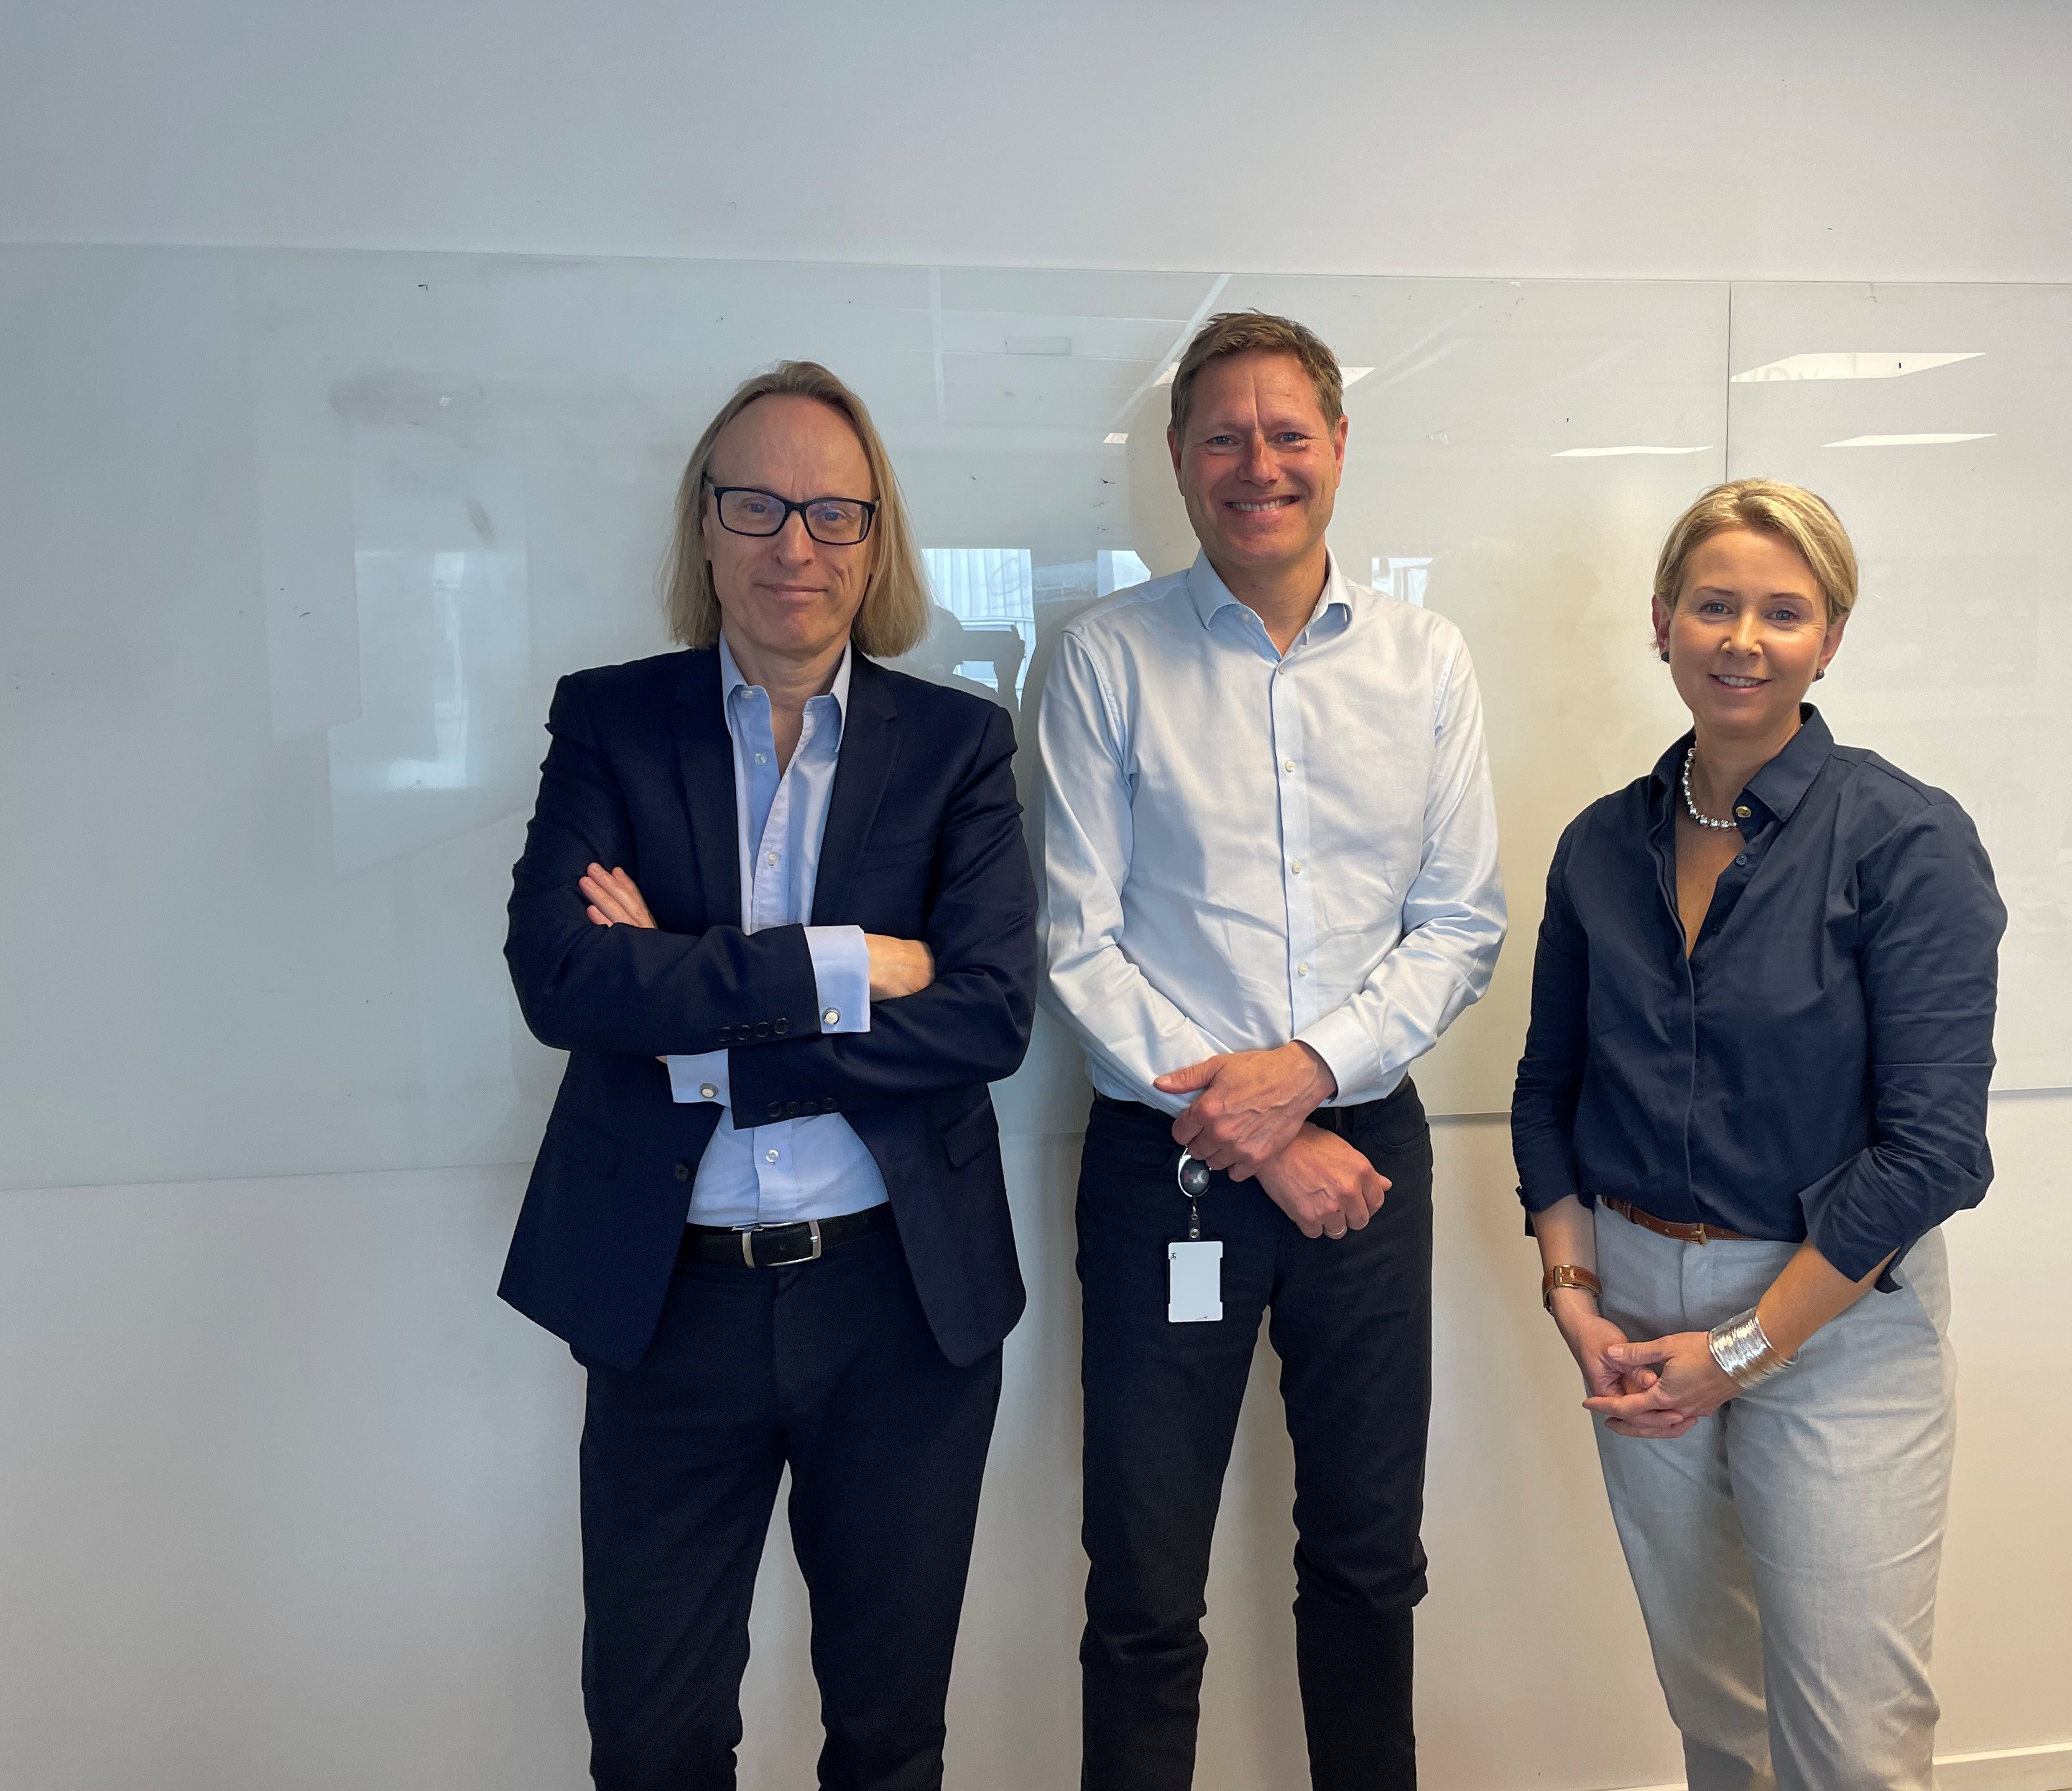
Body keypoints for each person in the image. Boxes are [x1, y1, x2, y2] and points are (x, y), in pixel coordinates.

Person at [499, 361, 1037, 1791]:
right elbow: (561, 980)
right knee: (654, 1741)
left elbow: (989, 1018)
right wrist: (847, 965)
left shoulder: (959, 747)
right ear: (704, 524)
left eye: (833, 512)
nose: (795, 545)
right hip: (667, 1300)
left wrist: (696, 1019)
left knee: (888, 1738)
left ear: (876, 538)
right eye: (756, 505)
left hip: (899, 1303)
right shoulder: (612, 722)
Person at [1037, 311, 1507, 1791]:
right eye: (1225, 438)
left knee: (1368, 1562)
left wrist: (1305, 1084)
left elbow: (1461, 923)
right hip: (1161, 1167)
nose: (1260, 466)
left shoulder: (1427, 662)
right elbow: (1077, 941)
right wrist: (1263, 1131)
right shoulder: (1104, 659)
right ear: (1180, 461)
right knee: (1142, 1586)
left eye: (1289, 433)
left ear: (1340, 448)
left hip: (1368, 1165)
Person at [1511, 479, 2005, 1791]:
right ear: (1660, 622)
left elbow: (1934, 1150)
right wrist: (1574, 1294)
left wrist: (1741, 1349)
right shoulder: (1601, 845)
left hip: (1837, 1314)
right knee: (1718, 1715)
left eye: (1784, 613)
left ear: (1830, 639)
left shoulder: (1905, 839)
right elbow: (1548, 1089)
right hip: (1630, 1304)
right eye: (1713, 605)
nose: (1743, 639)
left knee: (1850, 1740)